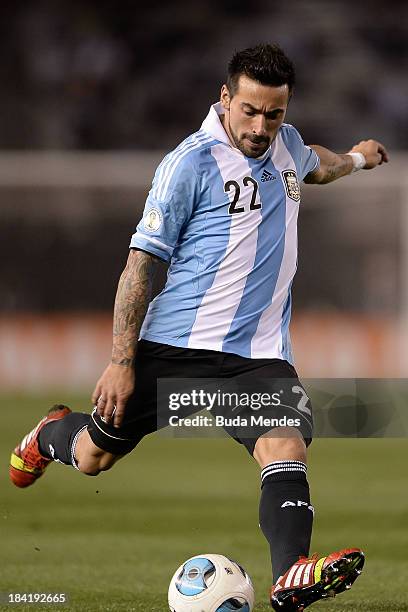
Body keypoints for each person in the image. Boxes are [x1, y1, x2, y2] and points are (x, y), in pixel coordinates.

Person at [10, 44, 388, 611]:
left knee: (283, 445)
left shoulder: (284, 142)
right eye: (250, 111)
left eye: (274, 113)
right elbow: (140, 266)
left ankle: (292, 575)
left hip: (256, 355)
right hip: (174, 347)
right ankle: (50, 434)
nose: (262, 127)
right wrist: (121, 362)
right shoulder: (188, 164)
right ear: (225, 99)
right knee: (94, 457)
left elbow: (316, 162)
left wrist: (357, 160)